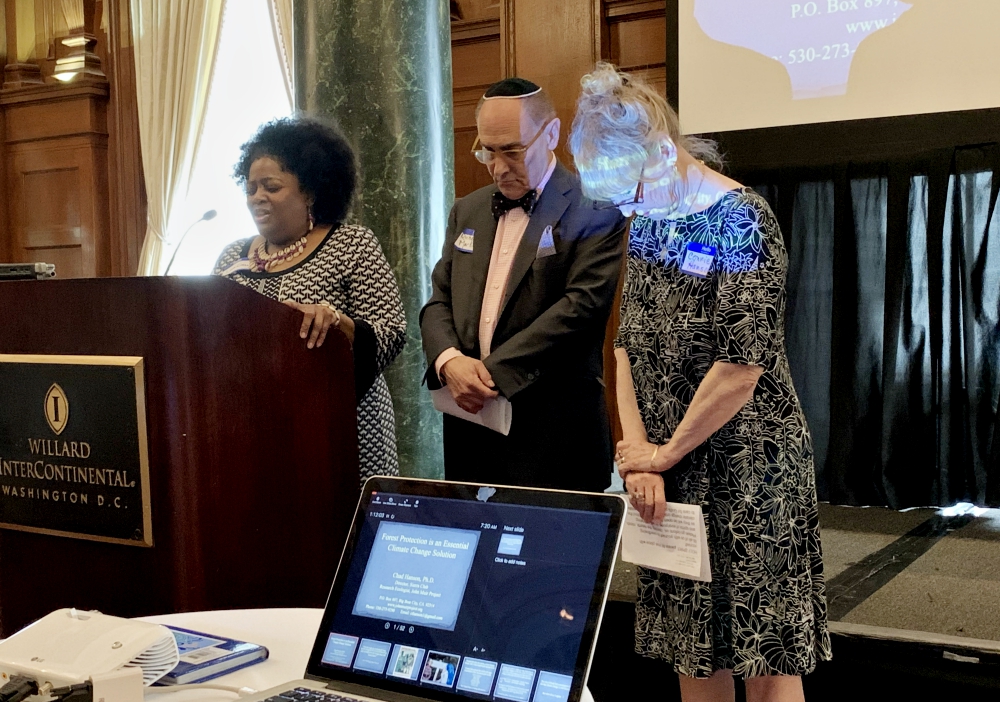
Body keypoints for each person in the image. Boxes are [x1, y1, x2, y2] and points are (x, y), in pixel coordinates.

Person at [569, 63, 831, 701]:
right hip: (669, 472)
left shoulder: (742, 216)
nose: (625, 208)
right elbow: (627, 345)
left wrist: (663, 452)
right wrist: (639, 458)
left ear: (660, 153)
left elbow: (741, 367)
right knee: (692, 654)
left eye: (627, 189)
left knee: (765, 659)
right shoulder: (652, 221)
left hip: (749, 471)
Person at [420, 77, 626, 492]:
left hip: (554, 435)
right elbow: (439, 296)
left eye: (512, 150)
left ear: (551, 134)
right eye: (487, 151)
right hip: (471, 432)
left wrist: (485, 376)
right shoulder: (468, 209)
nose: (498, 167)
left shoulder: (597, 206)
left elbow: (580, 310)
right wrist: (448, 361)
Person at [214, 116, 406, 482]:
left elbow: (392, 333)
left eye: (271, 186)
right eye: (251, 187)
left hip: (342, 432)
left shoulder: (352, 245)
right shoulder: (230, 257)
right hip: (254, 432)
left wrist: (338, 322)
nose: (257, 197)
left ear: (311, 191)